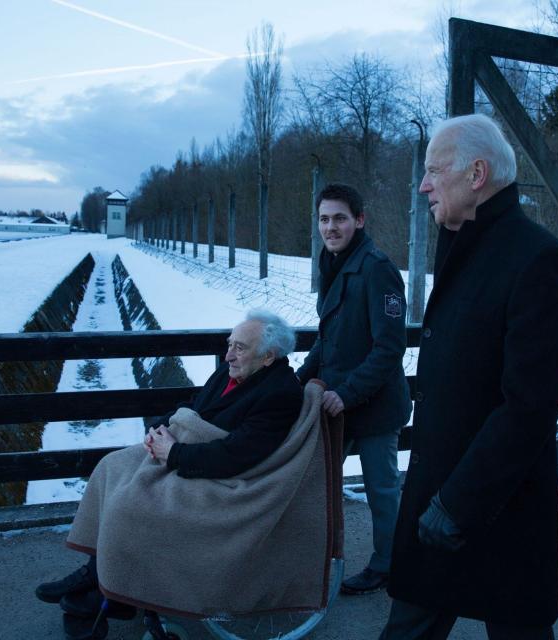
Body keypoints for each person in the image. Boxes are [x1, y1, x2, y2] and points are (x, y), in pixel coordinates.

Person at [380, 114, 558, 640]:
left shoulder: (540, 261)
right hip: (440, 499)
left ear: (475, 174)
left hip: (495, 506)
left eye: (432, 170)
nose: (423, 184)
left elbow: (529, 406)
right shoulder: (462, 244)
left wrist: (458, 501)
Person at [36, 310, 309, 640]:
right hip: (195, 456)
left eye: (240, 347)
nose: (229, 355)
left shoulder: (280, 393)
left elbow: (238, 455)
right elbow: (195, 406)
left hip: (230, 483)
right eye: (229, 344)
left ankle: (106, 591)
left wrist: (174, 453)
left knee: (131, 504)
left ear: (268, 357)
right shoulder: (233, 372)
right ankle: (99, 574)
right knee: (111, 466)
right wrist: (161, 427)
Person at [297, 182, 412, 595]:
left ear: (359, 220)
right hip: (339, 402)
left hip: (374, 405)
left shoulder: (376, 267)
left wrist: (346, 393)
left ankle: (390, 566)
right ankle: (309, 560)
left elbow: (389, 348)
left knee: (381, 490)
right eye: (324, 219)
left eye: (340, 218)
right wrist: (295, 382)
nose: (331, 227)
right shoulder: (334, 263)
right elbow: (330, 339)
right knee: (315, 481)